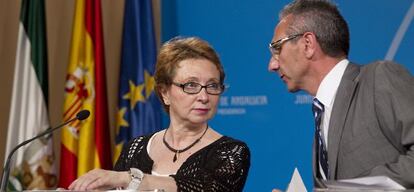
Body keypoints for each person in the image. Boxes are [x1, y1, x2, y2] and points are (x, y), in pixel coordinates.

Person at [68, 37, 251, 191]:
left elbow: (203, 187)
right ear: (164, 93)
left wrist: (132, 179)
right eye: (191, 85)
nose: (203, 96)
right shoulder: (136, 148)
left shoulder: (231, 152)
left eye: (212, 85)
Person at [268, 0, 414, 189]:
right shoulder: (323, 113)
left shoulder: (379, 79)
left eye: (277, 48)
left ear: (308, 44)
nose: (272, 65)